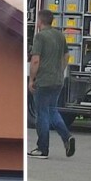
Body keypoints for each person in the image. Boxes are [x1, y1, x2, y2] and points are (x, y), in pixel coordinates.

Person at [28, 9, 75, 159]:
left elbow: (35, 60)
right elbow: (67, 56)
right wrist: (60, 70)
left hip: (43, 81)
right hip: (57, 81)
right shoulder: (60, 36)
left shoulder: (40, 37)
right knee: (53, 111)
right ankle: (66, 137)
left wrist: (31, 80)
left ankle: (42, 149)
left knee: (42, 114)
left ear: (40, 21)